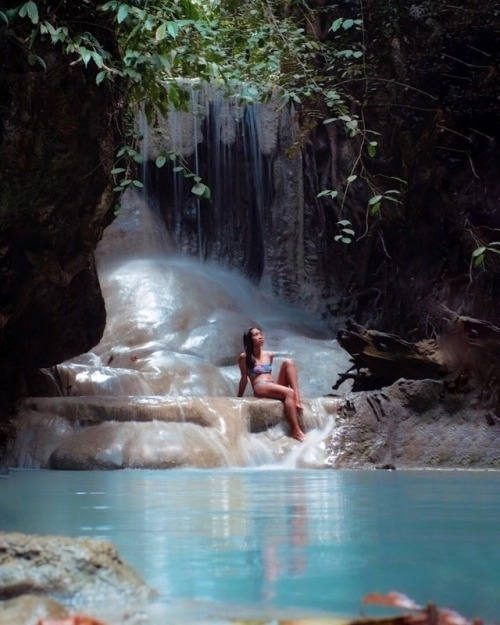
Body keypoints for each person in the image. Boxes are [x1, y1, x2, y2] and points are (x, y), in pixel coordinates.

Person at [237, 326, 306, 441]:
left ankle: (297, 400)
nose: (260, 337)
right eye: (255, 335)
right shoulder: (244, 357)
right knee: (289, 393)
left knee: (288, 362)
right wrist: (238, 398)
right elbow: (244, 379)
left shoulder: (269, 355)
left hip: (271, 385)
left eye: (260, 334)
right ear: (249, 340)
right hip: (260, 387)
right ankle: (296, 431)